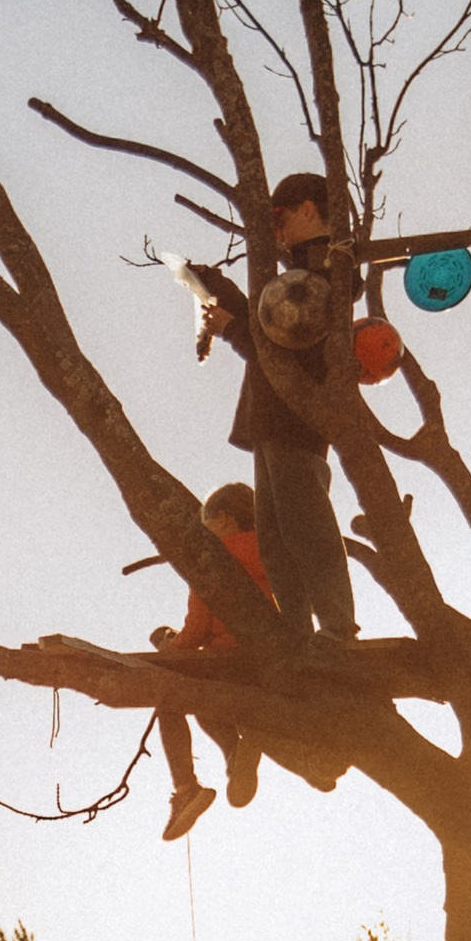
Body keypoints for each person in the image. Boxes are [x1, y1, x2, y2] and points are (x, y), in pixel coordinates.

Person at [189, 171, 359, 640]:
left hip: (294, 415)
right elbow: (272, 328)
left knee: (306, 525)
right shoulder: (307, 274)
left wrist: (232, 330)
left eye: (281, 219)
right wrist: (218, 288)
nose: (277, 233)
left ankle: (338, 627)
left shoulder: (325, 274)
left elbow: (285, 346)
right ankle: (297, 630)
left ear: (310, 209)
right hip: (273, 416)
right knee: (277, 537)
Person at [152, 481, 270, 840]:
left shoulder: (210, 558)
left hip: (226, 656)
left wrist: (171, 648)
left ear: (222, 520)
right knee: (206, 707)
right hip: (269, 653)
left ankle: (188, 787)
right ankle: (238, 755)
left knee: (168, 699)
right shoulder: (270, 548)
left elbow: (198, 627)